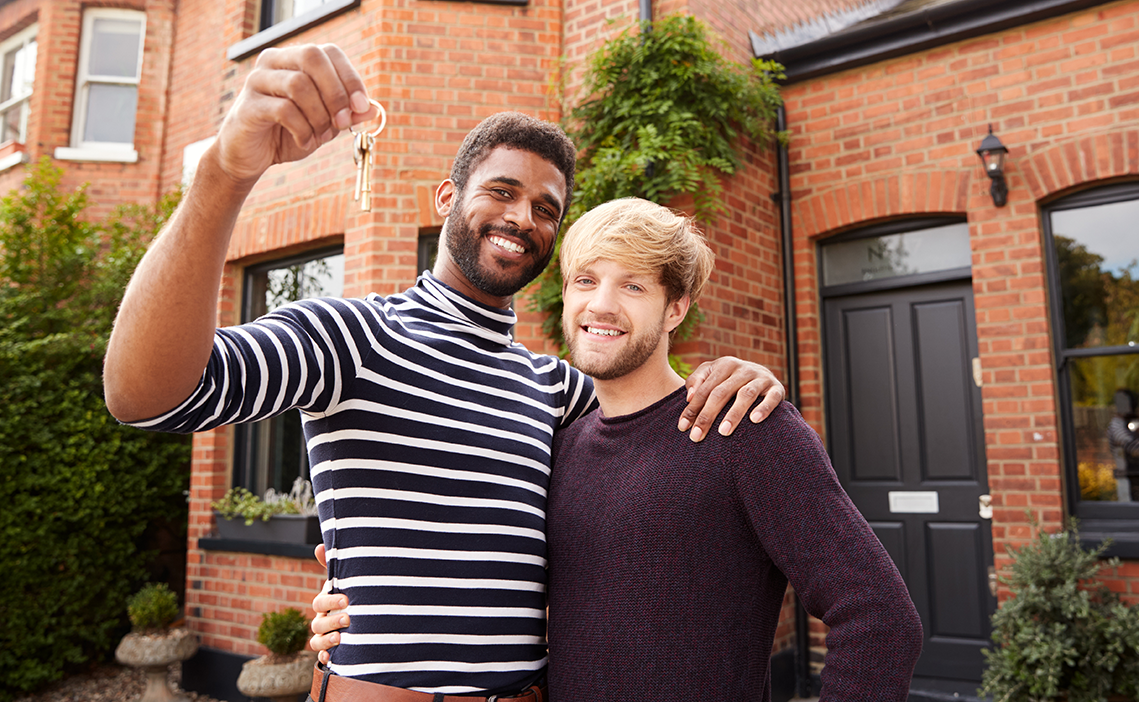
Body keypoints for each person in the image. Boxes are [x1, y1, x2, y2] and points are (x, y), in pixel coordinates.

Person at [103, 45, 784, 701]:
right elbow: (145, 395)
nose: (523, 216)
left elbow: (670, 443)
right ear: (445, 199)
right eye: (502, 191)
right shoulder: (352, 338)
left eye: (546, 208)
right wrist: (225, 171)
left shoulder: (563, 392)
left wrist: (737, 378)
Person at [313, 198, 924, 700]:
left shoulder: (744, 429)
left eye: (632, 285)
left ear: (675, 308)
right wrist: (351, 597)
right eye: (585, 280)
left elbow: (879, 619)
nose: (600, 304)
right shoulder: (564, 442)